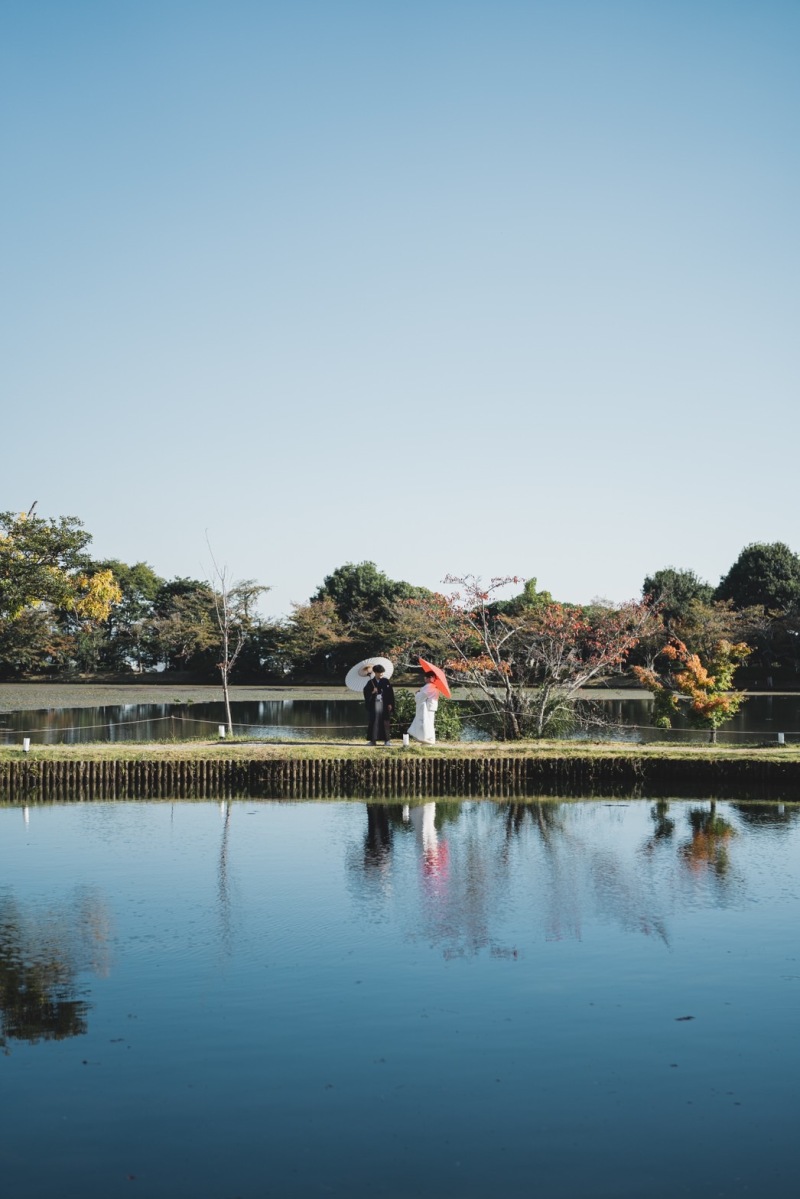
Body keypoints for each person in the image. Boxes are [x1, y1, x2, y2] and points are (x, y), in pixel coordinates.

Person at [364, 664, 395, 746]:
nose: (381, 674)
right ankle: (373, 740)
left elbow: (390, 693)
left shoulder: (386, 681)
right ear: (375, 672)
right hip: (375, 705)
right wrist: (372, 692)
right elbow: (366, 693)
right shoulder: (370, 682)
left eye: (382, 672)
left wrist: (390, 703)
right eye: (379, 672)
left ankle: (387, 740)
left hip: (384, 704)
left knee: (385, 722)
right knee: (374, 721)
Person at [407, 672, 439, 744]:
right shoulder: (434, 686)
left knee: (426, 723)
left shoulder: (429, 686)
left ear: (428, 678)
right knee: (429, 723)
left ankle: (428, 739)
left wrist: (417, 693)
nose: (426, 679)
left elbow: (421, 696)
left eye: (427, 677)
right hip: (431, 706)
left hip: (427, 707)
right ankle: (430, 739)